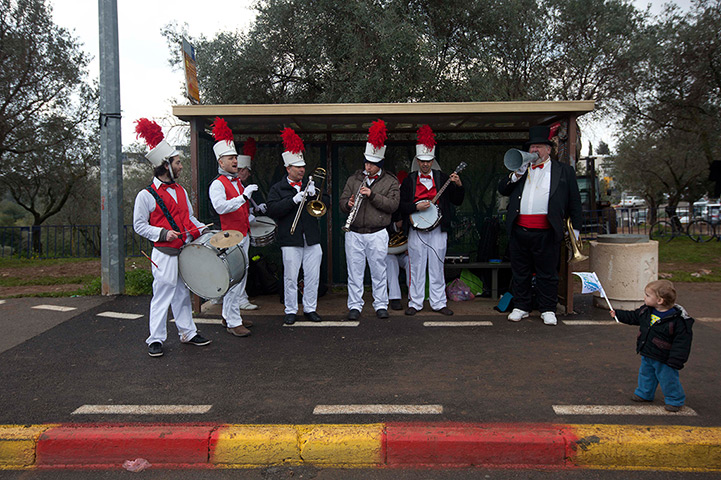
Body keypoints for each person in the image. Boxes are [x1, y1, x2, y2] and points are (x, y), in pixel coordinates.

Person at [132, 118, 211, 357]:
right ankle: (155, 339)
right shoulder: (145, 195)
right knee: (163, 293)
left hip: (183, 250)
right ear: (166, 165)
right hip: (164, 253)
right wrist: (162, 233)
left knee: (181, 293)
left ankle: (187, 332)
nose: (181, 166)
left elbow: (189, 219)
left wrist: (203, 229)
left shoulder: (180, 191)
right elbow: (139, 226)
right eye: (178, 163)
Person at [498, 125, 583, 326]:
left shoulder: (564, 171)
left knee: (548, 273)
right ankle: (521, 306)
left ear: (548, 149)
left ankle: (547, 308)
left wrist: (576, 230)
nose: (534, 151)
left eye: (538, 147)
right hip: (520, 231)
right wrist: (516, 174)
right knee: (521, 272)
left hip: (547, 231)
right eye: (531, 147)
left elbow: (575, 202)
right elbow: (503, 189)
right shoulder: (521, 170)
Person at [399, 125, 464, 316]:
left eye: (428, 161)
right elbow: (400, 206)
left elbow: (457, 200)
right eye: (422, 161)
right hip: (416, 229)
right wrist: (415, 207)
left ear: (433, 160)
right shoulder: (409, 181)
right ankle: (415, 302)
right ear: (417, 161)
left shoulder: (443, 178)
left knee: (437, 265)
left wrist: (459, 185)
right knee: (416, 267)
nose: (425, 164)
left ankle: (438, 302)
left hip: (437, 230)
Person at [340, 119, 400, 320]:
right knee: (354, 272)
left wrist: (371, 195)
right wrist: (348, 204)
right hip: (355, 232)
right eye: (366, 162)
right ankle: (355, 306)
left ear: (379, 164)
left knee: (379, 271)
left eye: (371, 164)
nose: (367, 166)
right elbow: (342, 202)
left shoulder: (390, 181)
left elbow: (393, 206)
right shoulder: (353, 179)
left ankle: (381, 304)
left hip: (377, 233)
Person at [266, 128, 327, 325]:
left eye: (303, 166)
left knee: (313, 276)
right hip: (290, 238)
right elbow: (272, 209)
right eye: (297, 167)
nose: (302, 170)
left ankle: (310, 308)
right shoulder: (278, 188)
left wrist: (315, 195)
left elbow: (325, 203)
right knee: (291, 277)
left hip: (311, 237)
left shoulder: (310, 184)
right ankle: (291, 310)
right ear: (288, 168)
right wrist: (293, 200)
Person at [609, 280, 694, 412]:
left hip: (665, 357)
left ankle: (675, 399)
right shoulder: (646, 311)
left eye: (648, 295)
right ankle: (644, 393)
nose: (645, 297)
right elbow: (633, 317)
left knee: (668, 379)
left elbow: (682, 343)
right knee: (646, 374)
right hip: (648, 351)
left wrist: (676, 359)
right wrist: (618, 314)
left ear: (660, 300)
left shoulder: (678, 321)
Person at [208, 118, 257, 338]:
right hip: (230, 238)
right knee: (234, 278)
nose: (235, 160)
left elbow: (239, 207)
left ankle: (231, 315)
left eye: (236, 157)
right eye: (231, 158)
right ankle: (233, 321)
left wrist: (251, 212)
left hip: (242, 234)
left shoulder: (236, 182)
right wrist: (243, 197)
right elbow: (220, 207)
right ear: (221, 161)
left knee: (241, 277)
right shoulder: (218, 184)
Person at [386, 170, 410, 311]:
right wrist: (395, 226)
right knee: (390, 262)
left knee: (411, 262)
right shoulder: (388, 201)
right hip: (391, 248)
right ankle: (394, 298)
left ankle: (414, 296)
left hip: (406, 248)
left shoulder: (409, 203)